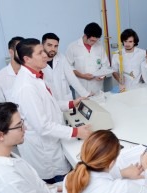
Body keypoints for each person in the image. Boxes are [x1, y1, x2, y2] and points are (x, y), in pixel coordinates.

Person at [11, 38, 92, 184]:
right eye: (40, 52)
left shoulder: (36, 77)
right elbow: (42, 126)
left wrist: (72, 103)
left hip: (52, 141)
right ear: (27, 59)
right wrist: (76, 132)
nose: (45, 55)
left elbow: (49, 104)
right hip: (44, 150)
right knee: (57, 185)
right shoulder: (26, 87)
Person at [0, 102, 58, 193]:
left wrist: (54, 189)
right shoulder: (7, 181)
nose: (25, 128)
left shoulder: (4, 154)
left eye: (22, 122)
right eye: (19, 125)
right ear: (0, 135)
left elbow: (32, 185)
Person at [62, 130, 147, 193]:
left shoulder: (69, 178)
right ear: (111, 163)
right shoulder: (122, 189)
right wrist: (146, 165)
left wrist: (122, 173)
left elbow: (96, 180)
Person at [42, 33, 92, 101]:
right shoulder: (38, 62)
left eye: (56, 46)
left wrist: (85, 94)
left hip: (66, 100)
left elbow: (72, 78)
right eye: (49, 45)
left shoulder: (61, 57)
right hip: (50, 102)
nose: (53, 49)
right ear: (42, 45)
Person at [66, 22, 110, 94]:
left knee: (98, 104)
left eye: (96, 40)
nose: (94, 43)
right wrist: (82, 76)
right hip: (81, 86)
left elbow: (106, 65)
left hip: (97, 87)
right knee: (83, 104)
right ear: (85, 36)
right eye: (92, 40)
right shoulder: (73, 47)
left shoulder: (100, 47)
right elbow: (68, 67)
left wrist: (102, 76)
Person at [0, 36, 24, 102]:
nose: (24, 54)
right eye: (20, 51)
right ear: (11, 52)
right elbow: (0, 108)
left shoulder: (33, 72)